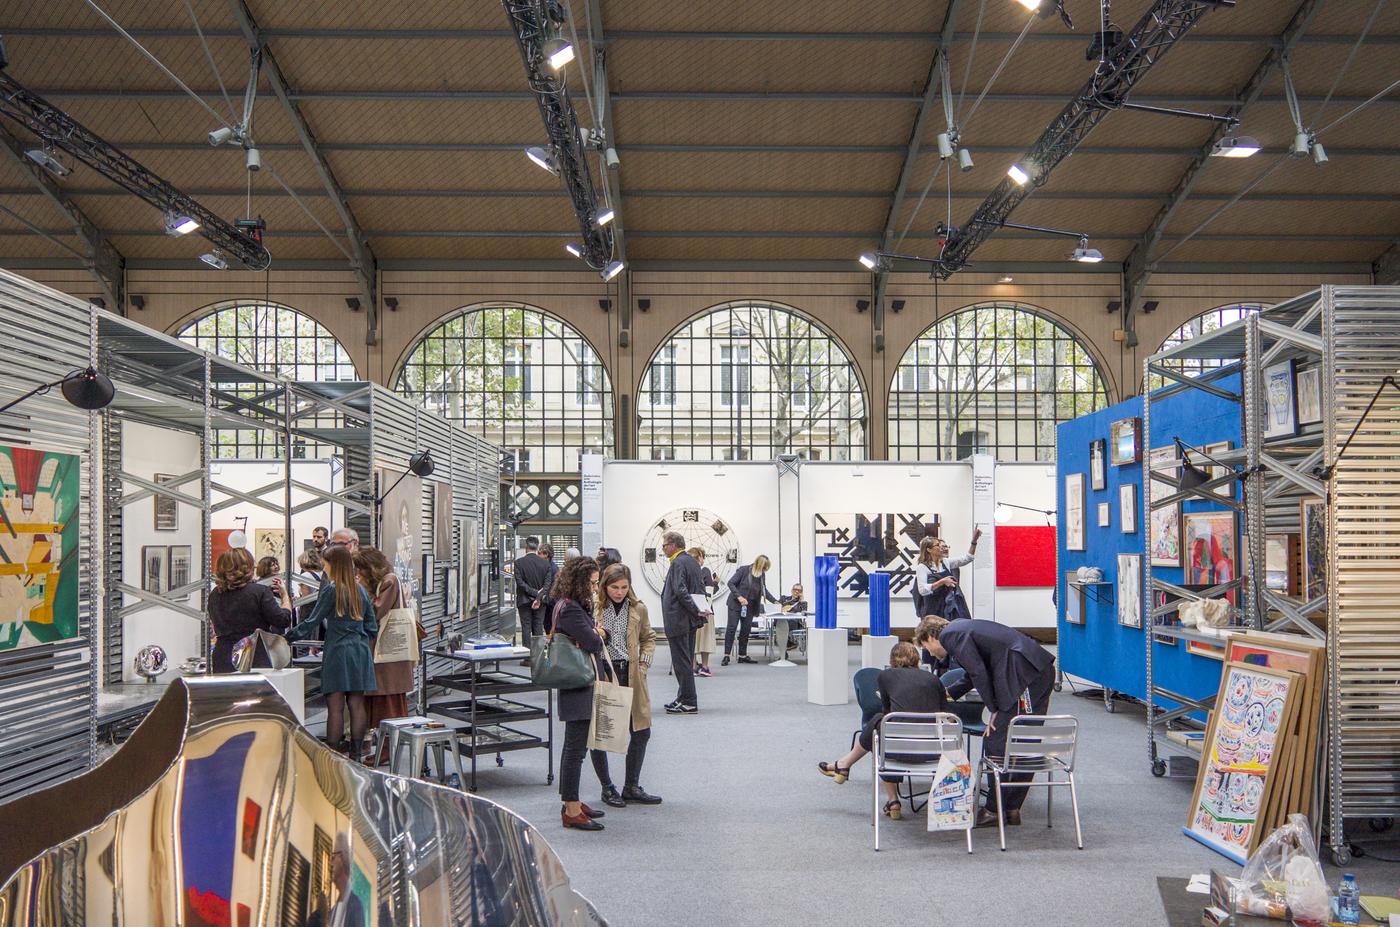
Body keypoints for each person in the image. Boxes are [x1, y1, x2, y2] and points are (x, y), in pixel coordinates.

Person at [916, 615, 1056, 828]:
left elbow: (978, 671)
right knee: (1024, 741)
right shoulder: (962, 628)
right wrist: (949, 693)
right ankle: (1010, 808)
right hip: (1035, 671)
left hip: (1024, 676)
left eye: (926, 647)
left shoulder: (950, 636)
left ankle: (993, 810)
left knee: (997, 742)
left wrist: (994, 709)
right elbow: (973, 673)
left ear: (930, 637)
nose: (931, 653)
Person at [816, 641, 948, 820]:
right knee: (884, 725)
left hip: (897, 751)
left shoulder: (886, 676)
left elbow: (888, 711)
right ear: (916, 658)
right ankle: (844, 765)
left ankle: (890, 798)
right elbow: (945, 713)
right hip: (934, 754)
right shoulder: (933, 679)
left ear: (893, 659)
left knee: (881, 723)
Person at [286, 546, 379, 761]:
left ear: (333, 565)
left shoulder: (331, 590)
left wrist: (287, 637)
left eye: (326, 563)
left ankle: (334, 757)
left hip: (337, 651)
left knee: (335, 708)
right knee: (357, 704)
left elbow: (312, 621)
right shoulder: (361, 591)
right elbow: (372, 627)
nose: (324, 567)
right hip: (359, 652)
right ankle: (356, 756)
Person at [590, 562, 663, 808]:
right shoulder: (595, 607)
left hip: (632, 673)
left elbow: (648, 638)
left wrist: (645, 661)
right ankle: (607, 787)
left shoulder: (638, 608)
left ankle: (631, 786)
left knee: (641, 731)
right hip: (606, 673)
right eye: (614, 587)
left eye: (624, 587)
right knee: (602, 734)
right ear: (604, 586)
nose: (619, 592)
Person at [551, 556, 609, 831]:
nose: (596, 589)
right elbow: (594, 641)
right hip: (578, 684)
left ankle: (570, 801)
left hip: (575, 683)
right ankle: (572, 809)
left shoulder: (567, 604)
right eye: (593, 583)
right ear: (580, 582)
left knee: (574, 747)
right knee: (575, 749)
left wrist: (592, 632)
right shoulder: (571, 609)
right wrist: (597, 632)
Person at [354, 546, 415, 737]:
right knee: (381, 701)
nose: (358, 573)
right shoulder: (385, 581)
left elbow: (374, 612)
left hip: (388, 655)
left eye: (360, 569)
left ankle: (388, 747)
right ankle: (384, 746)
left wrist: (363, 589)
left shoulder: (389, 581)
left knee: (387, 704)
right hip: (383, 655)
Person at [207, 548, 291, 674]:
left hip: (223, 655)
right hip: (255, 655)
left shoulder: (215, 594)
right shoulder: (259, 592)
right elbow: (282, 620)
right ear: (248, 568)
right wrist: (285, 597)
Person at [659, 531, 707, 714]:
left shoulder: (678, 563)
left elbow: (680, 591)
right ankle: (683, 697)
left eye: (664, 545)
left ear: (672, 545)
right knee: (685, 661)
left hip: (678, 620)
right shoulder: (692, 562)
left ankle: (689, 702)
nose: (663, 549)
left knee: (682, 663)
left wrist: (696, 610)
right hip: (689, 621)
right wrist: (698, 612)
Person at [722, 554, 777, 666]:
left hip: (750, 606)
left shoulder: (762, 575)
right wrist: (739, 597)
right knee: (732, 628)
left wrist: (775, 601)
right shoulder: (744, 570)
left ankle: (742, 656)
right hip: (736, 604)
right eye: (764, 567)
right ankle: (726, 655)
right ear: (759, 564)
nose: (764, 570)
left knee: (746, 630)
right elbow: (731, 583)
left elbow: (763, 590)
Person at [916, 529, 981, 622]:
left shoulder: (945, 562)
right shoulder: (922, 567)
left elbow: (967, 558)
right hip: (932, 609)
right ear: (929, 549)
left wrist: (974, 541)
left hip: (947, 607)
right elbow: (922, 590)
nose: (941, 548)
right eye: (938, 545)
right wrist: (942, 581)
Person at [513, 537, 552, 653]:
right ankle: (538, 656)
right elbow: (547, 585)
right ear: (537, 547)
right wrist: (538, 596)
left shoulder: (518, 563)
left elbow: (520, 584)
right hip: (541, 602)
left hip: (524, 601)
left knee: (526, 627)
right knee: (538, 627)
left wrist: (534, 594)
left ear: (526, 547)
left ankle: (527, 657)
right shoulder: (545, 564)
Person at [689, 547, 719, 676]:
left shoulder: (686, 572)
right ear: (700, 557)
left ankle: (693, 666)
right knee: (705, 639)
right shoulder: (705, 570)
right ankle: (705, 667)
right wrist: (715, 583)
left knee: (693, 640)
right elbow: (709, 592)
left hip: (691, 610)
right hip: (705, 610)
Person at [327, 831, 364, 927]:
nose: (331, 864)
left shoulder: (355, 906)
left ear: (342, 858)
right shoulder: (332, 912)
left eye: (333, 857)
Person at [776, 582, 809, 661]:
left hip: (795, 623)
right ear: (791, 590)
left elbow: (804, 613)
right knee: (778, 623)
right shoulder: (784, 599)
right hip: (781, 621)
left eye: (799, 590)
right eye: (795, 589)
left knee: (783, 627)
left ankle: (786, 649)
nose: (797, 591)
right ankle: (789, 645)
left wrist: (801, 601)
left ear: (802, 592)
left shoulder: (803, 603)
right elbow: (776, 607)